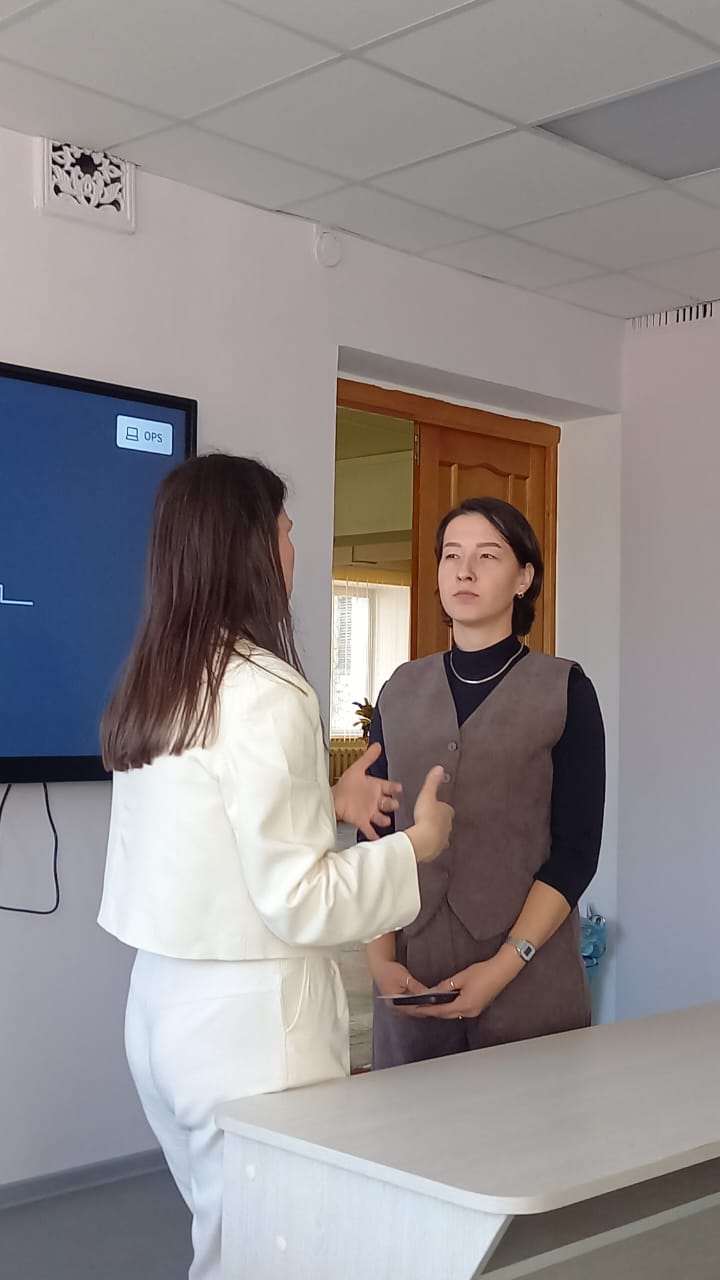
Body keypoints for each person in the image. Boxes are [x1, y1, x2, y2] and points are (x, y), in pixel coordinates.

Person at [97, 453, 453, 1280]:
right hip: (252, 1029)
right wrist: (417, 845)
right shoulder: (268, 690)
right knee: (273, 1257)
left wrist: (324, 802)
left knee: (233, 1244)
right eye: (287, 531)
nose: (294, 548)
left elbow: (202, 835)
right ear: (250, 547)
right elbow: (301, 899)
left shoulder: (161, 678)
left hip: (160, 1012)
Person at [367, 496, 605, 1069]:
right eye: (452, 556)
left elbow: (576, 853)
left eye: (487, 556)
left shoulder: (565, 690)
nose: (464, 571)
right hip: (413, 981)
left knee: (529, 1122)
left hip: (528, 980)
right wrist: (380, 962)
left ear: (524, 578)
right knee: (409, 1123)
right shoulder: (399, 690)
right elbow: (375, 837)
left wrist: (503, 966)